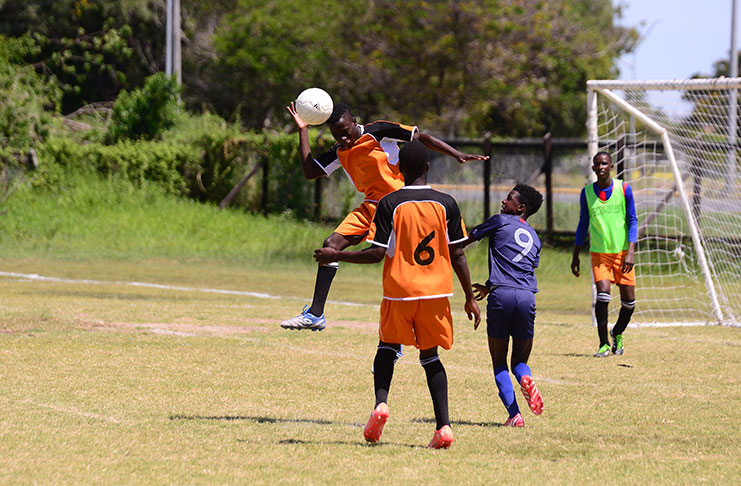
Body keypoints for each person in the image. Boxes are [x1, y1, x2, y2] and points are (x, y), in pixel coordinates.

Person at [314, 140, 481, 448]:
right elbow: (458, 253)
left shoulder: (389, 203)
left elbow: (375, 254)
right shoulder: (447, 203)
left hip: (400, 291)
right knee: (431, 357)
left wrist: (334, 255)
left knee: (387, 348)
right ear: (428, 167)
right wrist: (469, 297)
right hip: (436, 293)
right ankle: (443, 427)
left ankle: (381, 404)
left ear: (399, 169)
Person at [281, 102, 488, 331]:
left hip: (400, 204)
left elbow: (421, 137)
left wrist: (456, 154)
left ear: (354, 123)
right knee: (331, 243)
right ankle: (315, 315)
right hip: (371, 207)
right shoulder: (340, 151)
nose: (344, 140)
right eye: (337, 136)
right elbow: (310, 171)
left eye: (346, 133)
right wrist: (303, 130)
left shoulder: (378, 132)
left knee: (400, 265)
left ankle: (404, 329)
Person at [460, 184, 545, 427]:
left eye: (509, 198)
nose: (503, 201)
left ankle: (514, 415)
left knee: (499, 363)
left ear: (520, 207)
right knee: (519, 362)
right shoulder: (535, 238)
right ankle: (526, 377)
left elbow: (465, 240)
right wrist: (489, 284)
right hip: (527, 296)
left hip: (502, 298)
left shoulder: (499, 221)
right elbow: (520, 267)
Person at [571, 151, 638, 358]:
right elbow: (583, 224)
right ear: (593, 168)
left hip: (623, 254)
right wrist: (575, 254)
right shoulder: (587, 193)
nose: (601, 167)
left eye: (604, 163)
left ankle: (617, 332)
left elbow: (633, 220)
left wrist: (630, 252)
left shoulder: (624, 189)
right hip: (600, 254)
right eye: (597, 164)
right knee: (603, 295)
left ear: (611, 166)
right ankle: (603, 344)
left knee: (630, 303)